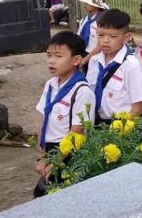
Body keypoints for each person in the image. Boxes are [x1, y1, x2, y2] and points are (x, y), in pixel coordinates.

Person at [34, 31, 95, 197]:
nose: (51, 61)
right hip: (50, 148)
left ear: (76, 60)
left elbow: (77, 132)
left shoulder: (82, 91)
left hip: (69, 152)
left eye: (58, 56)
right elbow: (42, 116)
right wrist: (42, 153)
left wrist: (55, 161)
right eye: (49, 56)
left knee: (61, 197)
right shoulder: (51, 84)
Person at [86, 9, 142, 124]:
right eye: (100, 35)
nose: (105, 41)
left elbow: (138, 108)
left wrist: (118, 130)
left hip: (120, 125)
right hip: (95, 122)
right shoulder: (94, 60)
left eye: (113, 36)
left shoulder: (131, 65)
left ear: (126, 37)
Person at [75, 0, 109, 66]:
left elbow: (100, 46)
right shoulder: (84, 19)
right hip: (82, 53)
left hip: (96, 58)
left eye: (88, 3)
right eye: (85, 3)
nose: (84, 5)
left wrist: (84, 60)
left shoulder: (102, 22)